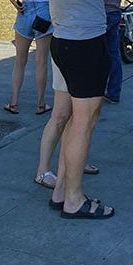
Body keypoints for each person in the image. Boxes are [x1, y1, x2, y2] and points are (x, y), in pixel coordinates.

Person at [44, 0, 121, 219]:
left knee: (72, 119)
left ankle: (62, 189)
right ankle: (74, 198)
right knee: (83, 123)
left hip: (62, 40)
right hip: (86, 42)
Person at [0, 0, 53, 115]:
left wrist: (13, 0)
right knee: (41, 62)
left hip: (25, 11)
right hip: (44, 12)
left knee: (19, 61)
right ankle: (40, 104)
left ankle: (14, 101)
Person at [34, 59, 99, 189]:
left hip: (86, 50)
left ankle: (76, 161)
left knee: (83, 118)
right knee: (60, 116)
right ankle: (42, 171)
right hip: (71, 48)